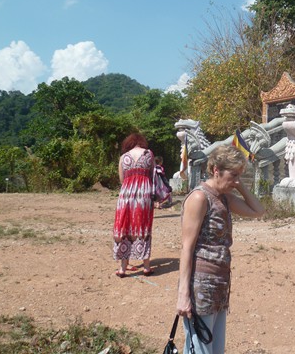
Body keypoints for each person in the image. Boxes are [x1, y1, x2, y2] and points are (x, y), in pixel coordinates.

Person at [176, 144, 265, 354]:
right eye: (233, 175)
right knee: (200, 349)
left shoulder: (224, 197)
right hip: (201, 284)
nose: (236, 181)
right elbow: (187, 247)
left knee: (215, 349)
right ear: (216, 170)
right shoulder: (200, 198)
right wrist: (183, 294)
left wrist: (239, 185)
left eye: (239, 176)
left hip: (220, 282)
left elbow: (258, 211)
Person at [113, 133, 156, 277]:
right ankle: (146, 267)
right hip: (144, 195)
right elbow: (153, 176)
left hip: (126, 195)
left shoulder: (123, 157)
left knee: (124, 226)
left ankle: (122, 268)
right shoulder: (149, 154)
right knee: (143, 227)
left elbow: (122, 180)